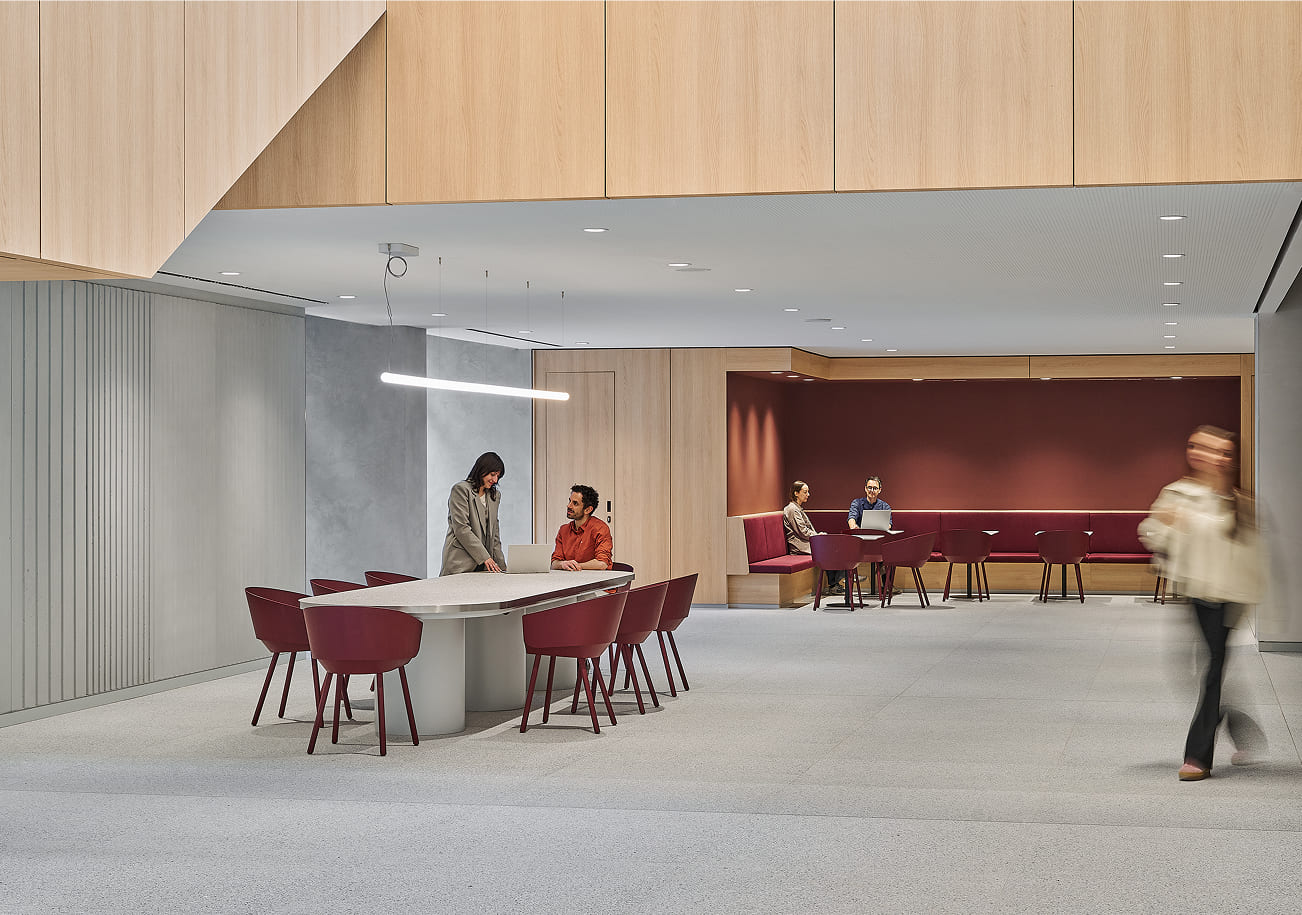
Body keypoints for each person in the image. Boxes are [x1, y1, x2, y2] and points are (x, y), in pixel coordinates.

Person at [1138, 425, 1267, 782]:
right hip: (1197, 593)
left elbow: (1253, 558)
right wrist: (1167, 526)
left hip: (1231, 598)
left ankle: (1198, 756)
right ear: (1193, 453)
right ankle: (1238, 725)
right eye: (1204, 449)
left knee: (1212, 669)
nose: (1215, 458)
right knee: (1200, 672)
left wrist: (1252, 598)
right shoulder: (1178, 494)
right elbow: (1150, 533)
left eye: (1223, 452)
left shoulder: (1240, 503)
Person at [440, 452, 507, 575]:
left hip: (484, 566)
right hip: (459, 562)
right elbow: (462, 529)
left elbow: (494, 534)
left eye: (498, 476)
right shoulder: (461, 490)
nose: (495, 480)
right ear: (482, 470)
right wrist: (485, 557)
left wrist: (503, 567)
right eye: (492, 474)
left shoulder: (494, 496)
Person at [784, 480, 842, 593]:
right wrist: (817, 536)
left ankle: (837, 581)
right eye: (805, 492)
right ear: (796, 493)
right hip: (799, 545)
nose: (808, 494)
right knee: (830, 549)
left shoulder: (797, 508)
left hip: (806, 542)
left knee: (835, 547)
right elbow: (802, 531)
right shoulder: (792, 509)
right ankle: (836, 583)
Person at [552, 484, 613, 571]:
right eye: (569, 501)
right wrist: (562, 564)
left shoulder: (600, 528)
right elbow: (554, 563)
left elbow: (602, 563)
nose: (569, 506)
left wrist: (574, 566)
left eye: (575, 503)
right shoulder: (563, 530)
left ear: (588, 510)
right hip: (569, 577)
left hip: (595, 578)